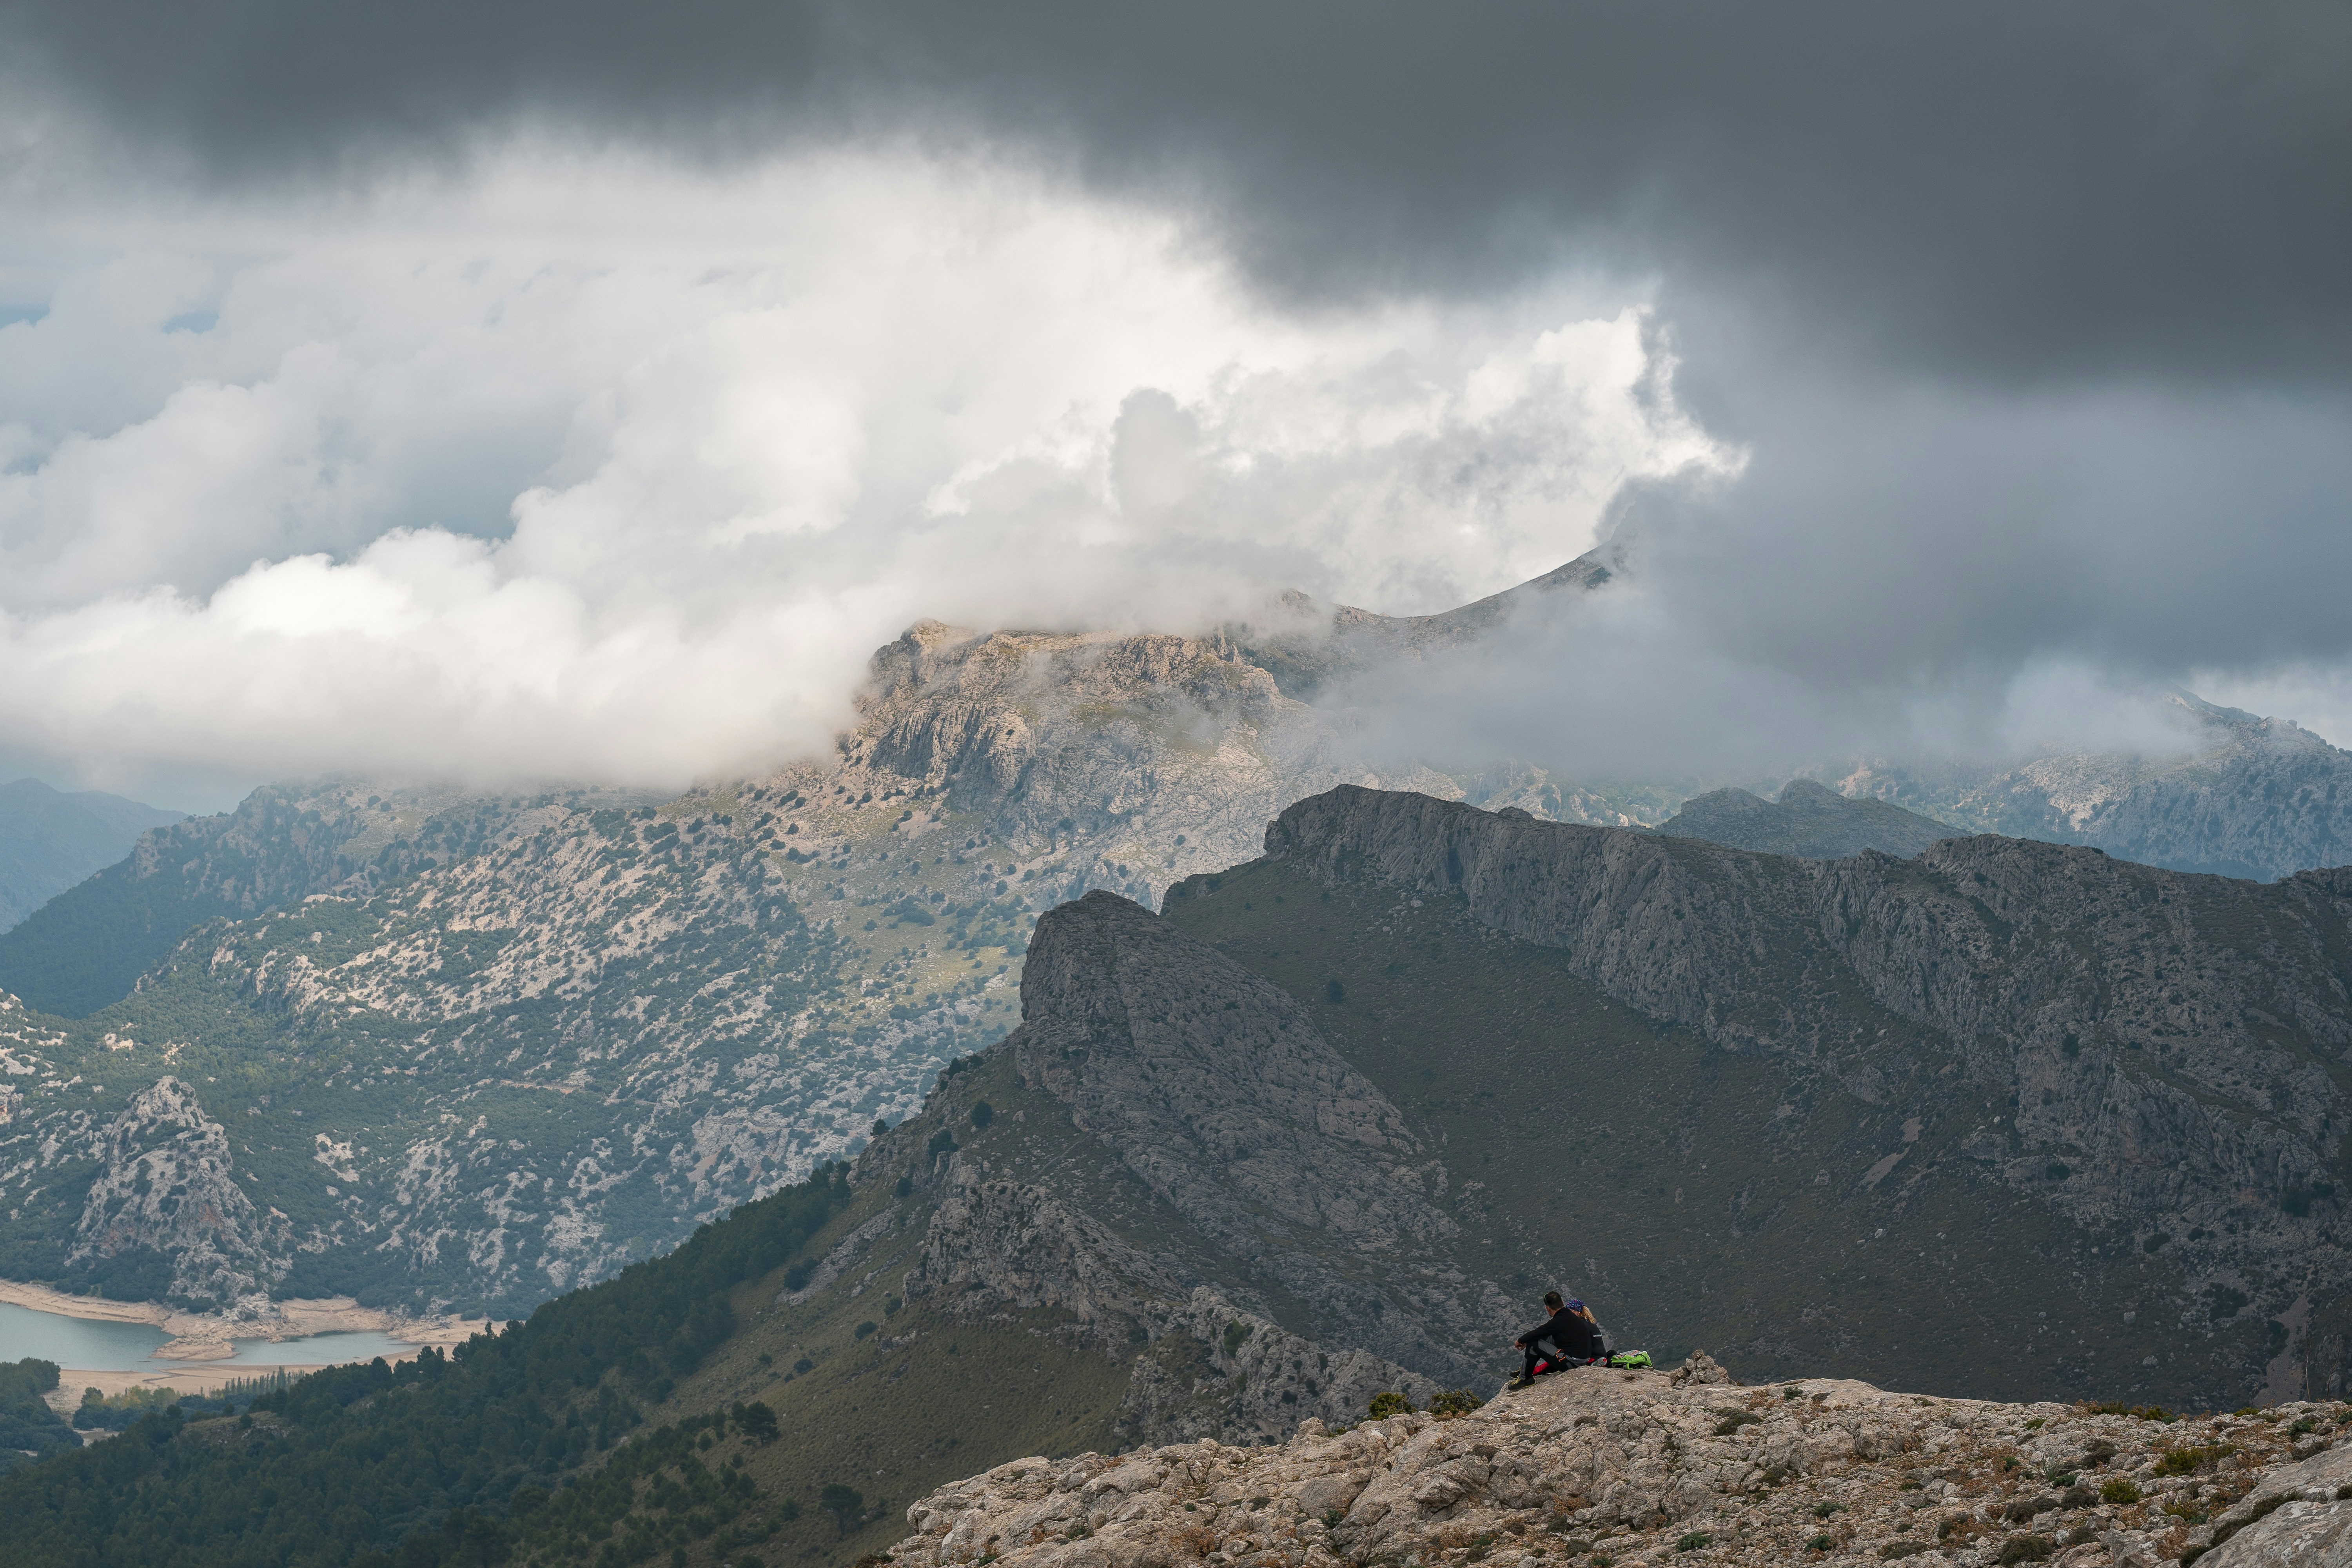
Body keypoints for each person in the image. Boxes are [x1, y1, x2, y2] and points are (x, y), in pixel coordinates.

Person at [1510, 1291, 1602, 1388]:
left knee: (1533, 1343)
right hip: (1582, 1360)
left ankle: (1525, 1379)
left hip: (1572, 1363)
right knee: (1541, 1338)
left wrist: (1521, 1340)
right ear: (1562, 1302)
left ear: (1548, 1308)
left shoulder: (1559, 1320)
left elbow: (1538, 1332)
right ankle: (1526, 1371)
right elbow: (1542, 1333)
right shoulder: (1569, 1316)